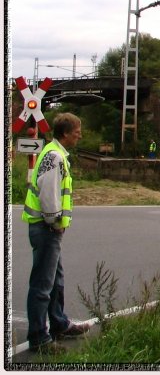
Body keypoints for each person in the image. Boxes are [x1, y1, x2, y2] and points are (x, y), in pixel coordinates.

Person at [23, 113, 91, 354]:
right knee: (43, 284)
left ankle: (59, 323)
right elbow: (49, 193)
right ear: (65, 133)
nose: (79, 136)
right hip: (46, 228)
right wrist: (54, 222)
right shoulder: (54, 157)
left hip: (47, 228)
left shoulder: (56, 153)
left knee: (55, 281)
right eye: (77, 132)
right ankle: (39, 337)